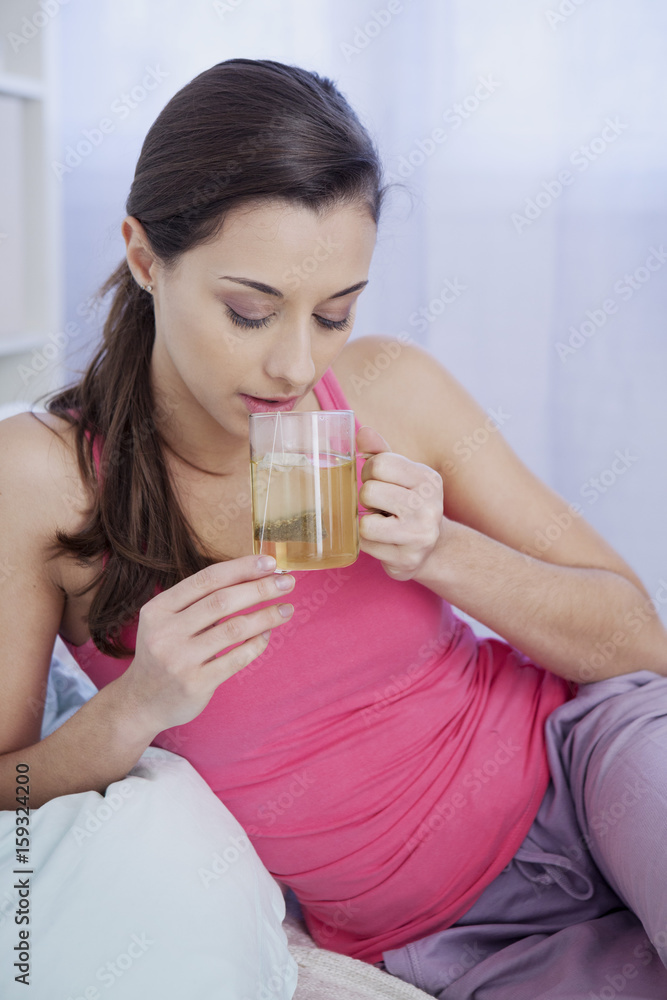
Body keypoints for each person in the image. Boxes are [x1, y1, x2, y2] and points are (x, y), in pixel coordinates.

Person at [1, 57, 667, 998]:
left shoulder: (390, 388)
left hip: (590, 764)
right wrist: (136, 704)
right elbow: (8, 791)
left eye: (334, 315)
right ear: (146, 257)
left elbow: (642, 642)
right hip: (440, 939)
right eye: (248, 311)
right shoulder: (40, 479)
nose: (291, 362)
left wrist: (441, 551)